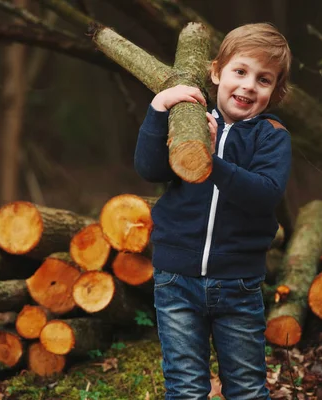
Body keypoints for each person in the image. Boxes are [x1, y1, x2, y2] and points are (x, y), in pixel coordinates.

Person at [134, 22, 292, 400]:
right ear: (217, 71)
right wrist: (159, 108)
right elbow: (150, 169)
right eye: (240, 71)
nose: (249, 86)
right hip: (176, 278)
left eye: (264, 79)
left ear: (275, 91)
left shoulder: (271, 136)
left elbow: (264, 194)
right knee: (186, 388)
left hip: (238, 284)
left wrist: (211, 159)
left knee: (246, 388)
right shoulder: (189, 120)